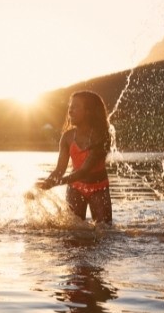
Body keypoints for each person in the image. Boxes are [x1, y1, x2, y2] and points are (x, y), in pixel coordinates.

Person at [36, 91, 113, 224]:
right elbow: (59, 170)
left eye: (75, 107)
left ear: (88, 111)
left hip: (99, 188)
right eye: (70, 106)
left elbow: (84, 171)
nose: (70, 111)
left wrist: (55, 183)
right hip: (75, 188)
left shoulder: (101, 137)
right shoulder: (67, 137)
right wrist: (45, 184)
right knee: (73, 231)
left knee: (105, 231)